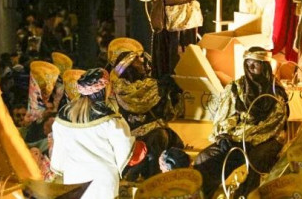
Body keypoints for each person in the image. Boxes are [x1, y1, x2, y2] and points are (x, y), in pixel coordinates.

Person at [193, 47, 288, 198]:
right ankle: (203, 194)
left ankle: (246, 195)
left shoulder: (276, 91)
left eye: (255, 64)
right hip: (235, 135)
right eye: (248, 63)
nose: (250, 67)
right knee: (205, 157)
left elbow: (273, 123)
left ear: (264, 66)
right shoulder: (236, 87)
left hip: (266, 137)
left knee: (257, 159)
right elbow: (224, 114)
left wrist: (247, 137)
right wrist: (225, 135)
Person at [50, 69, 135, 199]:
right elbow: (124, 147)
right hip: (102, 180)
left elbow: (59, 152)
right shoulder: (110, 119)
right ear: (104, 89)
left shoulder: (63, 116)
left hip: (74, 177)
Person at [111, 52, 184, 182]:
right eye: (138, 61)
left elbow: (169, 114)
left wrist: (172, 94)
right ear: (129, 66)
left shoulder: (149, 83)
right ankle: (150, 180)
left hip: (154, 129)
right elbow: (139, 101)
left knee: (169, 140)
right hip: (132, 133)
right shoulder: (121, 86)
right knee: (158, 137)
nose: (143, 63)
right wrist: (159, 87)